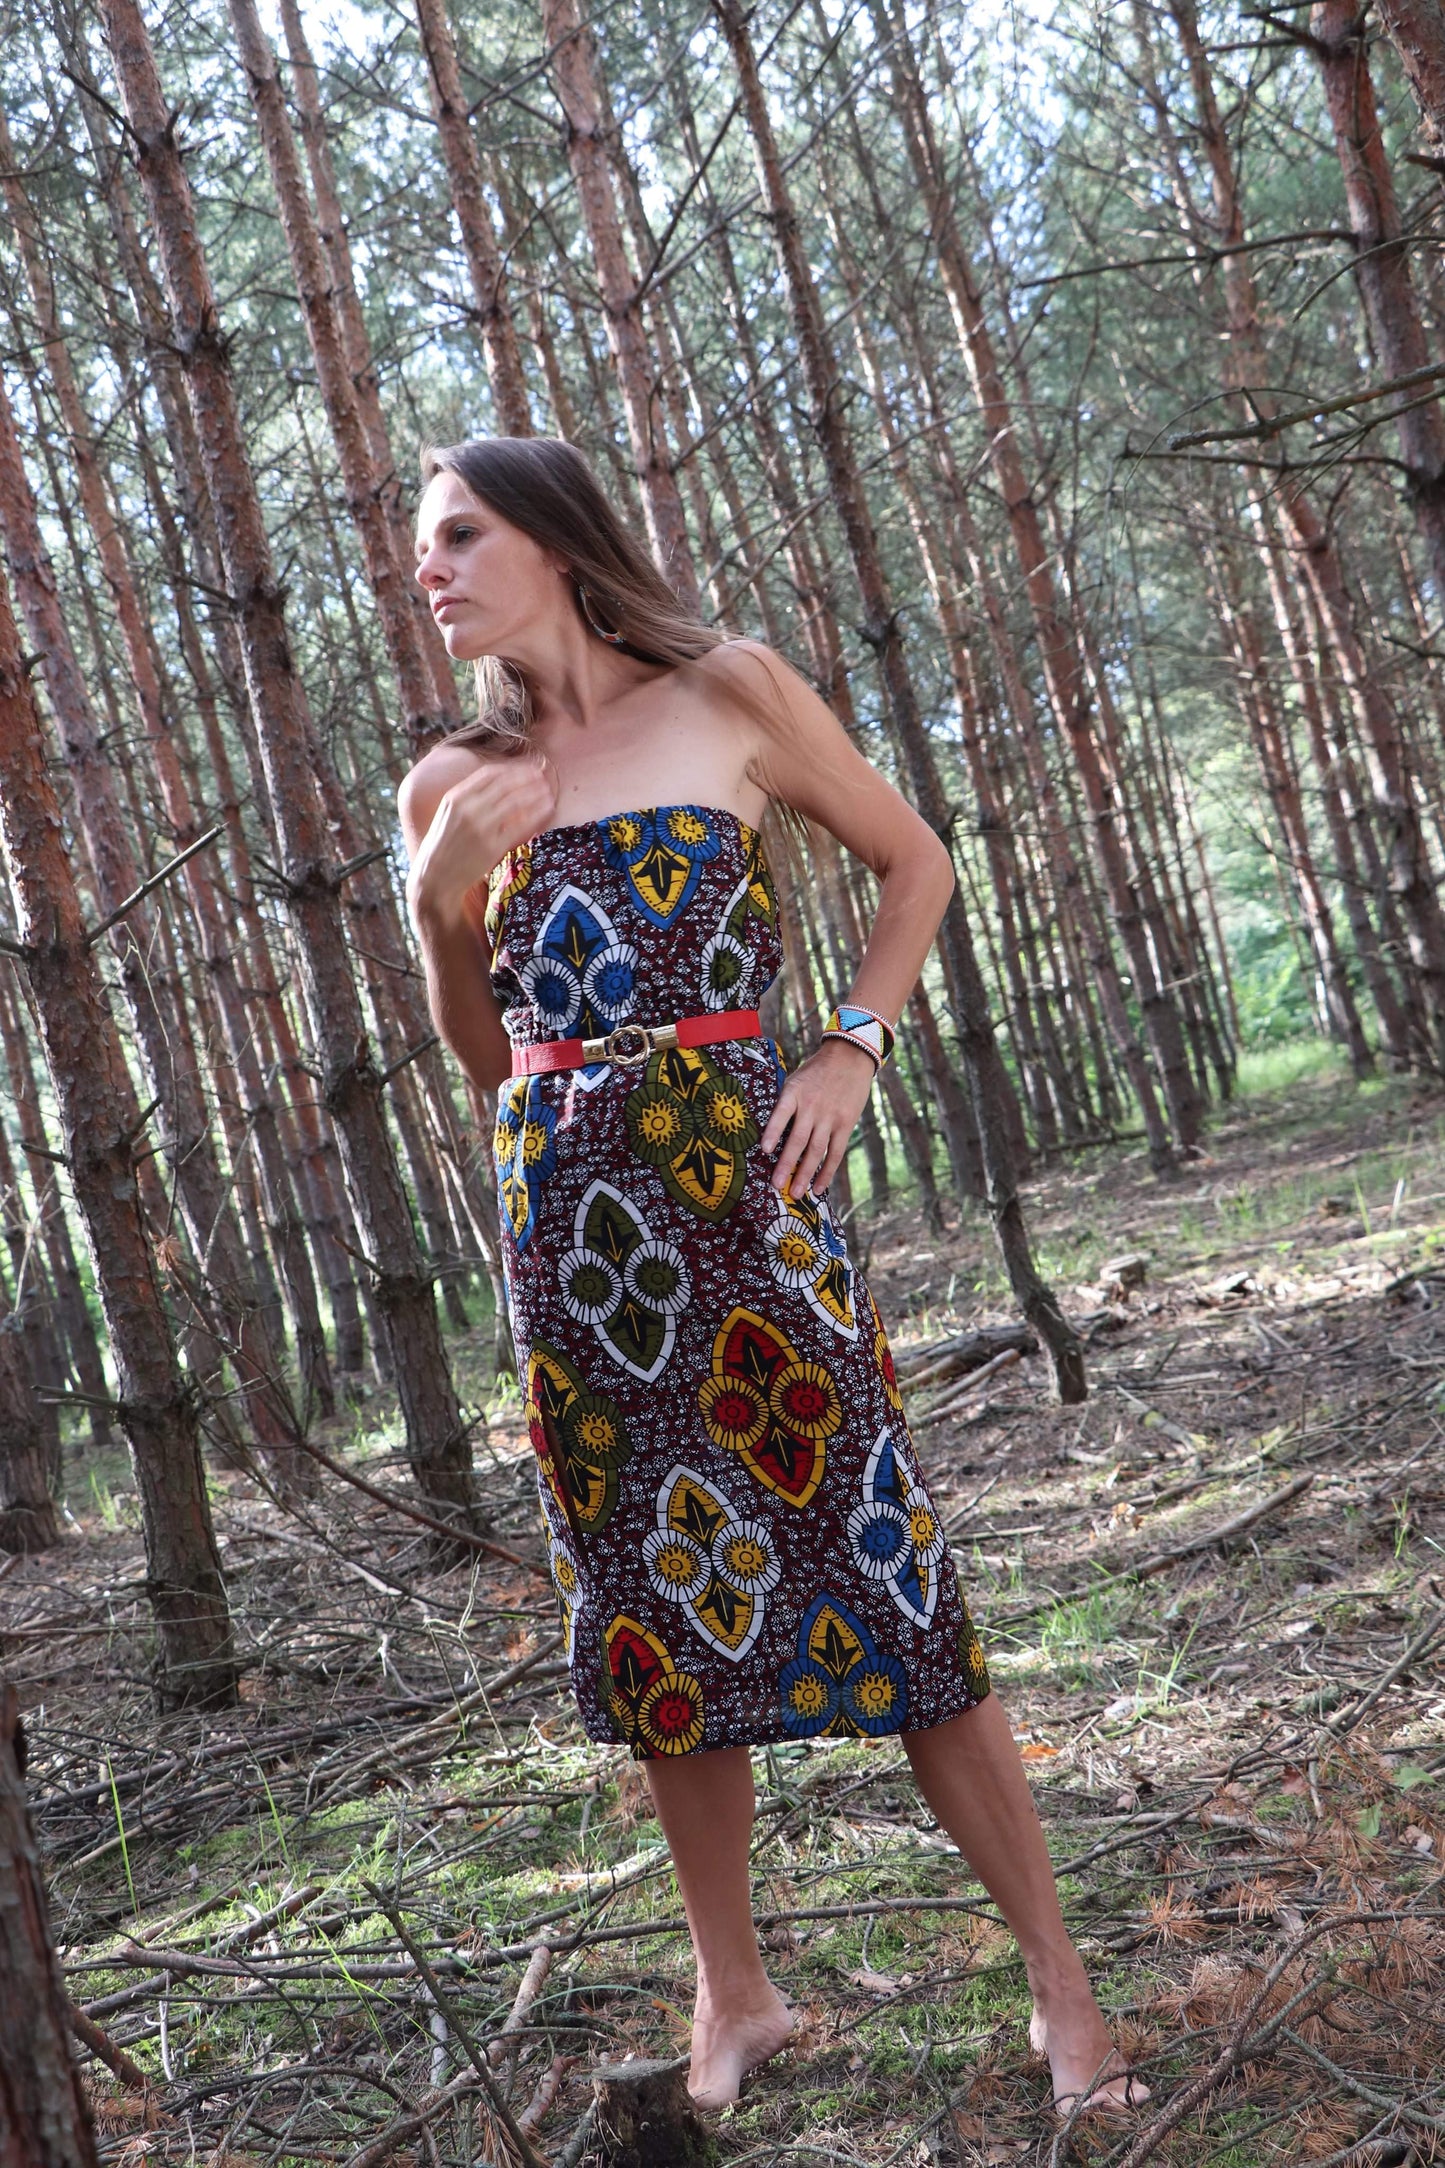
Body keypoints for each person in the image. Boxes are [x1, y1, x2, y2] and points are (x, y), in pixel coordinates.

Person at [398, 436, 1147, 2120]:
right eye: (422, 547)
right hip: (575, 1234)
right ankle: (732, 1993)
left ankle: (1059, 1983)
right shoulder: (449, 777)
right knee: (660, 1603)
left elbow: (914, 860)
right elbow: (488, 1062)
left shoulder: (728, 691)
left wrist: (849, 1048)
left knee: (889, 1568)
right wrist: (437, 906)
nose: (427, 571)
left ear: (555, 541)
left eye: (458, 536)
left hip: (752, 1190)